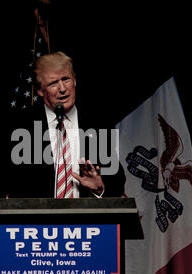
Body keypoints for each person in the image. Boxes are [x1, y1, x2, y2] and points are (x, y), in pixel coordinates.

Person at [8, 51, 125, 198]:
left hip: (87, 219)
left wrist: (99, 188)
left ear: (75, 80)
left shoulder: (98, 123)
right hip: (36, 220)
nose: (62, 88)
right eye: (53, 83)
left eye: (66, 79)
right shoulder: (20, 126)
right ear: (39, 90)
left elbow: (117, 182)